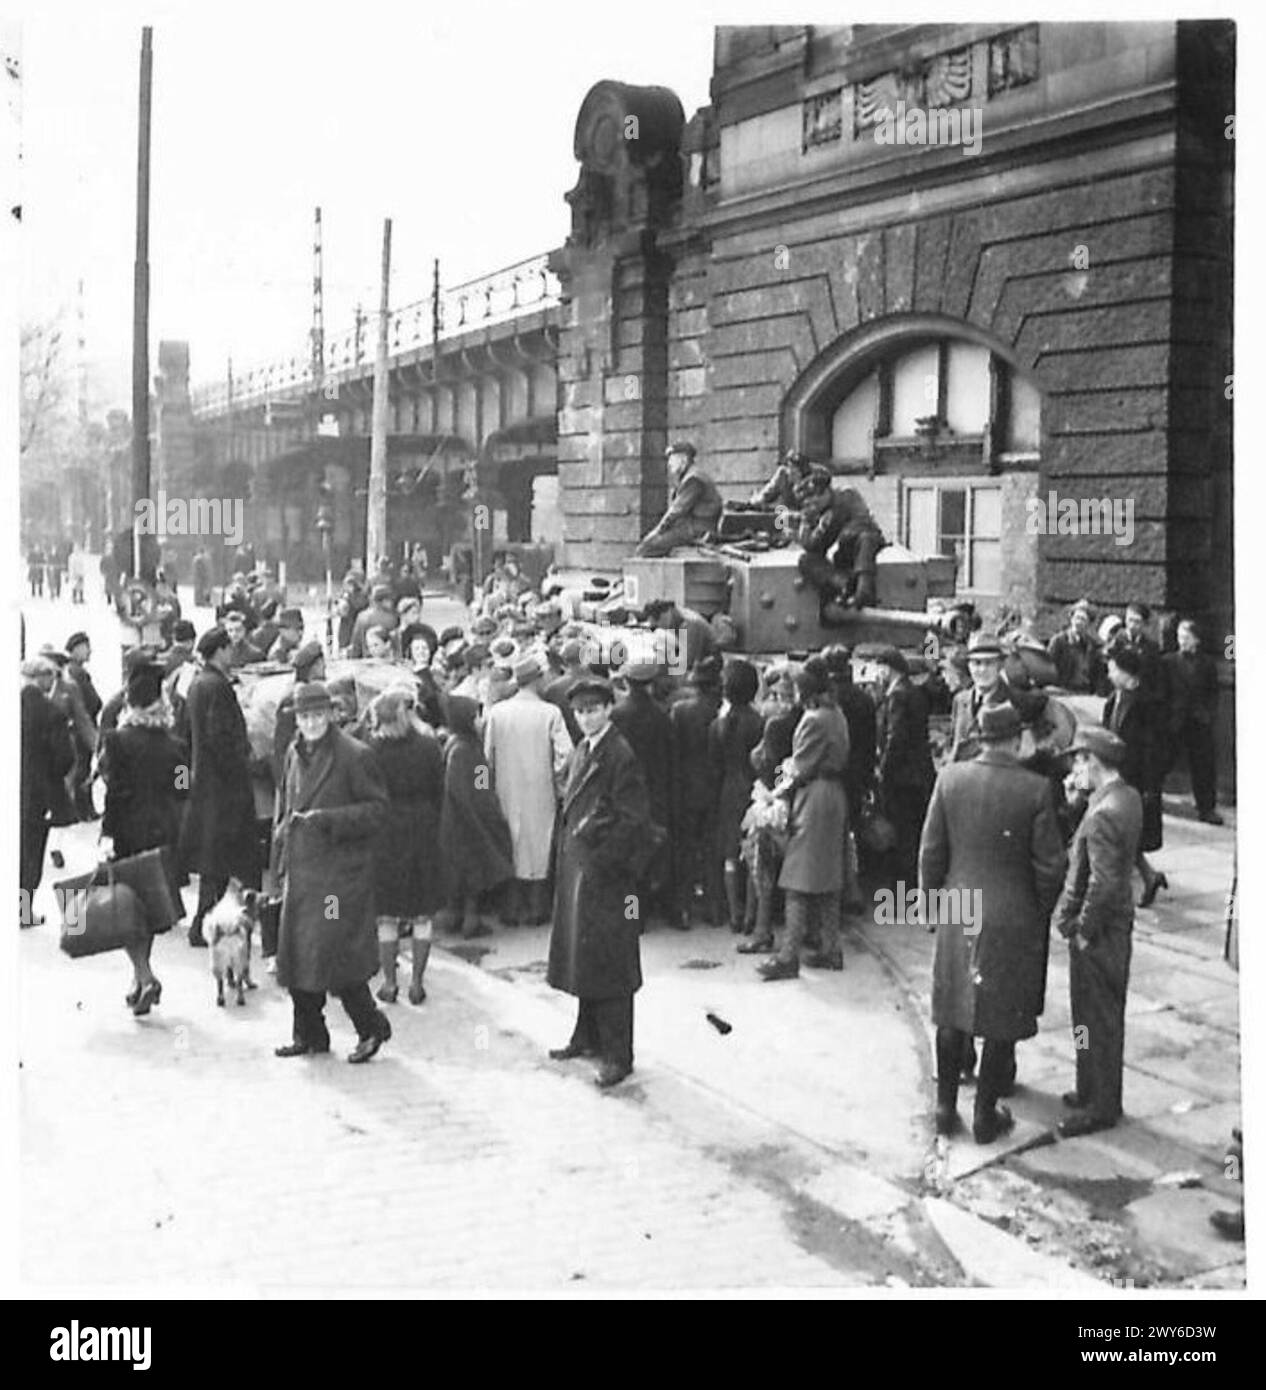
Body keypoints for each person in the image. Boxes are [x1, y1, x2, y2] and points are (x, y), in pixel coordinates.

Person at [921, 703, 1068, 1142]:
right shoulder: (1037, 789)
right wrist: (1037, 909)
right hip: (1013, 915)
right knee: (1003, 1016)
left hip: (958, 908)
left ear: (981, 738)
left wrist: (932, 904)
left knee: (951, 1010)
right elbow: (1051, 868)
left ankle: (945, 1108)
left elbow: (930, 852)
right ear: (1015, 739)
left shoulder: (950, 779)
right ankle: (986, 1115)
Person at [272, 682, 392, 1063]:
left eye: (317, 715)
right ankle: (309, 1034)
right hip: (303, 873)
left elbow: (377, 811)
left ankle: (370, 1027)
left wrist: (330, 820)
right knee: (297, 956)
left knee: (334, 951)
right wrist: (279, 853)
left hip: (338, 880)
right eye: (304, 716)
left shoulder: (354, 756)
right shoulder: (294, 752)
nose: (311, 723)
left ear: (331, 715)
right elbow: (285, 804)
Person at [547, 677, 654, 1087]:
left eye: (594, 709)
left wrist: (602, 863)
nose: (586, 716)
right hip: (582, 869)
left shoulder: (618, 755)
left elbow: (633, 821)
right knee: (584, 957)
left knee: (610, 963)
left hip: (606, 876)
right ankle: (587, 1035)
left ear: (609, 708)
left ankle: (618, 1054)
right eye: (580, 711)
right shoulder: (585, 749)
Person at [1052, 726, 1143, 1137]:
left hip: (1100, 935)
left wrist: (1082, 929)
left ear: (1093, 761)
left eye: (1078, 760)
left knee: (1095, 1019)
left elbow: (1101, 883)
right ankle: (1090, 1088)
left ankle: (1100, 1104)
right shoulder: (1124, 797)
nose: (1074, 769)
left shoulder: (1105, 813)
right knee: (1091, 1019)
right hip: (1113, 931)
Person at [98, 662, 189, 1015]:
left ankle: (145, 975)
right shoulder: (177, 747)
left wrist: (107, 832)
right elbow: (184, 788)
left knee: (126, 909)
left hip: (127, 832)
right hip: (164, 833)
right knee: (148, 910)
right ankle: (138, 980)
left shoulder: (116, 742)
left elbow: (113, 792)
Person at [758, 657, 851, 979]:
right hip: (833, 797)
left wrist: (776, 792)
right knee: (827, 880)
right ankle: (830, 949)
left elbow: (800, 766)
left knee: (796, 880)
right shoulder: (835, 714)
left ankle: (788, 957)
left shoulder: (813, 719)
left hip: (814, 799)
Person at [364, 690, 445, 1006]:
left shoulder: (369, 752)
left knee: (386, 916)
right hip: (422, 830)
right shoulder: (428, 747)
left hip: (384, 834)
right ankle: (418, 983)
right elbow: (440, 789)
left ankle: (389, 983)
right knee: (422, 914)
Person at [180, 627, 259, 947]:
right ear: (221, 650)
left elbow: (187, 736)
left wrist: (184, 780)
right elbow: (221, 737)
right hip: (225, 788)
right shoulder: (218, 687)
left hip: (206, 784)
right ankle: (207, 923)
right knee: (224, 860)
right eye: (229, 648)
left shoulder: (197, 683)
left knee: (217, 861)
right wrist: (243, 762)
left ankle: (204, 922)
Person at [483, 654, 571, 925]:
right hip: (540, 787)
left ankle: (511, 908)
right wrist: (559, 782)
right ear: (537, 680)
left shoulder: (497, 714)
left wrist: (484, 788)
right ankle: (536, 909)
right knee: (539, 846)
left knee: (510, 843)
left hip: (505, 788)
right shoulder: (550, 713)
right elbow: (566, 753)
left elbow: (485, 757)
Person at [438, 694, 515, 938]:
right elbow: (480, 788)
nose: (481, 721)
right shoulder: (469, 751)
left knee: (461, 875)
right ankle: (471, 922)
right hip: (469, 821)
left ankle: (454, 918)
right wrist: (491, 812)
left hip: (453, 821)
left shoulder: (455, 745)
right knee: (474, 875)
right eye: (476, 716)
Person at [738, 664, 802, 955]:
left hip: (772, 801)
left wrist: (771, 788)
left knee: (760, 865)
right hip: (798, 799)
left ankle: (760, 928)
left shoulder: (776, 725)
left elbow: (768, 764)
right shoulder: (804, 718)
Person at [610, 662, 676, 926]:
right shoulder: (662, 715)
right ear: (651, 683)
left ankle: (631, 916)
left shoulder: (616, 714)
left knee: (627, 859)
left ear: (626, 682)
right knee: (648, 856)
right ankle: (646, 910)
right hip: (655, 792)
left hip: (623, 793)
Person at [1103, 647, 1166, 906]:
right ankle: (1149, 877)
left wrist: (1151, 787)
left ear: (1128, 675)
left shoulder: (1145, 705)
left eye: (1114, 668)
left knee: (1125, 835)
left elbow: (1153, 749)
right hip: (1115, 778)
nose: (1109, 672)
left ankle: (1138, 882)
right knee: (1121, 835)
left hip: (1135, 780)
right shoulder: (1112, 700)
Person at [873, 646, 935, 891]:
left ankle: (903, 891)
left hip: (902, 778)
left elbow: (895, 737)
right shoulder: (914, 691)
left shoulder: (897, 695)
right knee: (915, 833)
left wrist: (884, 770)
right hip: (919, 774)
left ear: (889, 668)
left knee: (901, 835)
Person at [709, 659, 763, 933]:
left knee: (730, 854)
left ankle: (734, 913)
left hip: (728, 790)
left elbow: (714, 764)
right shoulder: (760, 723)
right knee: (753, 854)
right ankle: (752, 915)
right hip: (753, 789)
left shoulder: (718, 725)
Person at [670, 656, 724, 927]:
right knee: (712, 850)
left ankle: (683, 909)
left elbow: (673, 752)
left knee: (685, 850)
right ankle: (715, 909)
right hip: (715, 789)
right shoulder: (721, 712)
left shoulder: (680, 710)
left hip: (686, 789)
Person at [20, 658, 74, 925]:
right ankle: (23, 909)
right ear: (40, 678)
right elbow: (65, 758)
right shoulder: (52, 712)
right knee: (31, 852)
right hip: (40, 794)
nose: (53, 681)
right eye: (50, 676)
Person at [795, 472, 887, 622]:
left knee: (865, 538)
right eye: (809, 502)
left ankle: (865, 588)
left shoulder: (847, 496)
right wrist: (806, 523)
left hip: (862, 546)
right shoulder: (821, 516)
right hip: (843, 557)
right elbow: (813, 547)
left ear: (826, 492)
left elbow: (864, 522)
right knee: (806, 561)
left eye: (816, 498)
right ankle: (845, 585)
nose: (814, 504)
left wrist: (842, 534)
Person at [1163, 619, 1223, 825]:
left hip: (1198, 721)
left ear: (1196, 640)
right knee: (1163, 760)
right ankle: (1154, 797)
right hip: (1174, 720)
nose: (1182, 641)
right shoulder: (1168, 662)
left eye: (1186, 637)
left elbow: (1213, 692)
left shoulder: (1207, 664)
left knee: (1203, 765)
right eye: (1179, 637)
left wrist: (1208, 714)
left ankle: (1206, 807)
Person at [634, 441, 722, 557]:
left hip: (697, 530)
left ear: (683, 460)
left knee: (645, 548)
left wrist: (657, 532)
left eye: (672, 459)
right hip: (693, 527)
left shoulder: (693, 480)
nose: (669, 464)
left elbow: (676, 511)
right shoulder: (692, 476)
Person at [949, 630, 1013, 762]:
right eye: (977, 663)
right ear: (969, 666)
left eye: (989, 663)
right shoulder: (960, 700)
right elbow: (953, 743)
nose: (982, 670)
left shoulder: (1012, 701)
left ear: (1000, 665)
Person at [64, 632, 102, 821]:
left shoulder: (70, 671)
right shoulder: (78, 673)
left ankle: (81, 808)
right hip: (82, 728)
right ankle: (83, 808)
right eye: (87, 647)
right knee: (82, 769)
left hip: (76, 729)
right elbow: (93, 701)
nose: (90, 651)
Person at [1047, 601, 1103, 694]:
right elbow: (1048, 666)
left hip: (1085, 691)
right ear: (1071, 619)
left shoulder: (1092, 645)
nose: (1078, 622)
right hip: (1063, 690)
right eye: (1077, 618)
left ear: (1088, 623)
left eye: (1083, 619)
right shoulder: (1059, 641)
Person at [749, 449, 814, 510]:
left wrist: (798, 484)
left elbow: (813, 505)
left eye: (795, 468)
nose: (790, 471)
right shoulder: (783, 473)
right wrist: (754, 502)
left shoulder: (813, 478)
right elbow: (768, 492)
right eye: (789, 466)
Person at [350, 584, 399, 657]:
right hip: (385, 659)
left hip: (365, 659)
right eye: (390, 600)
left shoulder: (362, 616)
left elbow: (356, 644)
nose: (392, 603)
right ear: (384, 601)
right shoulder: (392, 618)